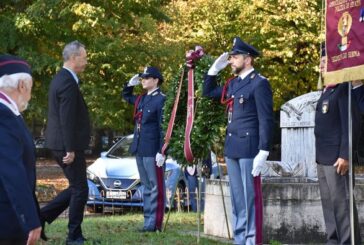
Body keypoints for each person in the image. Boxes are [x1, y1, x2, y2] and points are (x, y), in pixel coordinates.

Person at [203, 37, 273, 245]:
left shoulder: (259, 83)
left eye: (235, 57)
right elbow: (209, 93)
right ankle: (240, 238)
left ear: (248, 59)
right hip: (232, 146)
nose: (231, 61)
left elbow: (266, 118)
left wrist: (264, 150)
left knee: (250, 197)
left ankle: (251, 240)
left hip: (250, 147)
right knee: (237, 197)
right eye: (231, 57)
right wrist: (212, 72)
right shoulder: (233, 84)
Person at [41, 41, 91, 245]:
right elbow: (66, 117)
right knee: (80, 189)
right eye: (84, 57)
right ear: (74, 57)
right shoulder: (67, 82)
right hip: (65, 145)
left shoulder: (62, 78)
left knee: (77, 186)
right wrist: (70, 148)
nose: (86, 61)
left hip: (60, 142)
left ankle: (42, 216)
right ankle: (73, 236)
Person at [315, 47, 361, 244]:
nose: (321, 66)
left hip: (337, 159)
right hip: (323, 158)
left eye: (325, 62)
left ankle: (349, 242)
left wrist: (345, 154)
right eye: (321, 62)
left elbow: (351, 123)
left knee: (342, 208)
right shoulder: (327, 90)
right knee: (329, 206)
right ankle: (333, 241)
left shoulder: (344, 89)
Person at [0, 55, 41, 245]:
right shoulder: (4, 115)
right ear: (22, 86)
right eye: (31, 88)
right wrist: (30, 220)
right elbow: (12, 171)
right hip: (7, 221)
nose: (30, 95)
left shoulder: (8, 113)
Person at [122, 66, 166, 232]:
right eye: (142, 78)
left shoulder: (161, 99)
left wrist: (162, 150)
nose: (143, 81)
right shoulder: (142, 99)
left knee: (155, 187)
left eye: (146, 78)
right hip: (140, 148)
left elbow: (163, 127)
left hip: (153, 150)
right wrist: (129, 84)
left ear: (155, 80)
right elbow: (126, 96)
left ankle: (155, 223)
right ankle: (148, 221)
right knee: (147, 186)